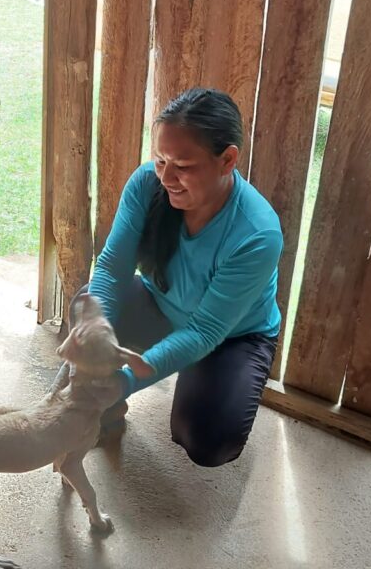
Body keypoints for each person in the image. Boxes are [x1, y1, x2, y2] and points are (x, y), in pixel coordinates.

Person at [86, 88, 283, 468]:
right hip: (162, 307)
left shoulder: (258, 233)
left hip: (230, 336)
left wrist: (123, 380)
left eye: (184, 166)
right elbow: (112, 268)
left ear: (227, 160)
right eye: (160, 160)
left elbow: (205, 332)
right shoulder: (147, 183)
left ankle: (201, 378)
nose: (167, 177)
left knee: (206, 440)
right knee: (88, 316)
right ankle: (113, 405)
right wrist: (96, 338)